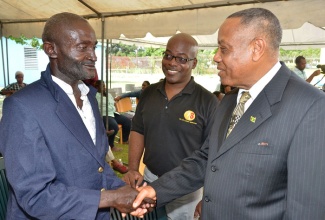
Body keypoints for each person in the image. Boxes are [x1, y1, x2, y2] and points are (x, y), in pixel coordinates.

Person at [133, 8, 325, 219]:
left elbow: (307, 209)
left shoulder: (310, 107)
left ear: (256, 48)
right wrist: (156, 190)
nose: (215, 57)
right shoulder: (231, 99)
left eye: (223, 49)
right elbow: (208, 159)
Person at [0, 12, 151, 219]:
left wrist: (132, 195)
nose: (93, 55)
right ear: (51, 49)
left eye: (94, 47)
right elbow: (35, 195)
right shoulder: (22, 106)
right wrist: (111, 198)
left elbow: (98, 168)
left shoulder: (88, 97)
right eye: (82, 47)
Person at [123, 33, 218, 220]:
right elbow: (138, 130)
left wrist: (208, 195)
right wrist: (133, 168)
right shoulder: (149, 93)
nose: (172, 63)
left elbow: (213, 155)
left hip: (185, 191)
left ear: (194, 63)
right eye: (168, 55)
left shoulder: (208, 102)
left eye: (182, 59)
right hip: (149, 179)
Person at [94, 80, 131, 151]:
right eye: (102, 86)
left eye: (104, 86)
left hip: (113, 113)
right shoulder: (95, 96)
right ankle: (111, 146)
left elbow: (114, 103)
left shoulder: (108, 94)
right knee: (114, 127)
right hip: (104, 114)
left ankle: (124, 139)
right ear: (97, 87)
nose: (104, 88)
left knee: (128, 122)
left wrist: (116, 108)